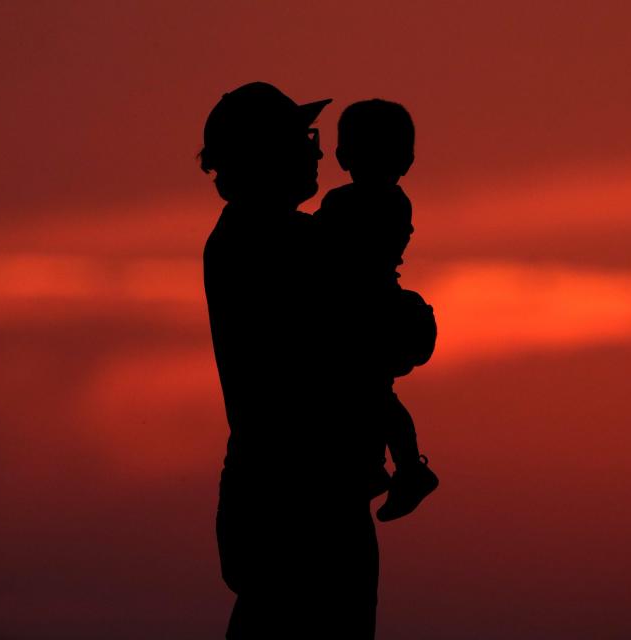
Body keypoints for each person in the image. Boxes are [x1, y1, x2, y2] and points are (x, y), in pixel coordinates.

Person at [200, 82, 380, 639]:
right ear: (265, 153)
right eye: (303, 138)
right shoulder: (283, 243)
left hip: (284, 494)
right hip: (303, 502)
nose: (318, 151)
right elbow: (391, 335)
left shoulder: (257, 239)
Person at [314, 99, 439, 522]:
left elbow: (322, 252)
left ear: (341, 154)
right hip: (376, 309)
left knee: (367, 394)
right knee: (377, 396)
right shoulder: (396, 202)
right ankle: (401, 467)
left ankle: (395, 468)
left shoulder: (343, 203)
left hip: (361, 315)